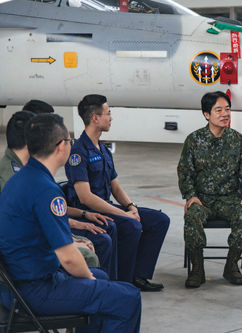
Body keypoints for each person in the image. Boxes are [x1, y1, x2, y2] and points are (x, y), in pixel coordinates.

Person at [0, 113, 141, 333]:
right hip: (33, 289)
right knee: (128, 298)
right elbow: (68, 258)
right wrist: (89, 280)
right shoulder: (46, 190)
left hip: (16, 282)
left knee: (102, 277)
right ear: (60, 147)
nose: (70, 145)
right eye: (69, 141)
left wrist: (92, 280)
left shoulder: (22, 178)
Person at [65, 94, 170, 291]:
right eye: (108, 113)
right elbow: (85, 197)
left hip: (107, 206)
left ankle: (139, 276)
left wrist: (131, 207)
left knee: (159, 220)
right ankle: (122, 282)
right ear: (95, 118)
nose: (111, 118)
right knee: (131, 226)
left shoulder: (103, 149)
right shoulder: (79, 152)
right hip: (90, 211)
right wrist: (124, 214)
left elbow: (115, 185)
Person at [0, 111, 102, 268]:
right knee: (92, 254)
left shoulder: (24, 171)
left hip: (27, 249)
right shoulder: (16, 177)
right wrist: (72, 243)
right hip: (28, 259)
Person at [177, 91, 242, 288]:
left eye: (227, 109)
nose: (224, 114)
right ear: (206, 114)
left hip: (230, 200)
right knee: (192, 215)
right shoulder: (194, 140)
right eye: (218, 110)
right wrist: (191, 196)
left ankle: (231, 265)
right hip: (203, 200)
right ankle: (197, 269)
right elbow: (185, 172)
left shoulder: (237, 140)